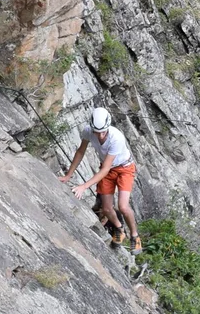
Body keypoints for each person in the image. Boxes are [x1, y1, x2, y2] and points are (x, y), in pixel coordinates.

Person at [60, 106, 141, 253]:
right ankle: (119, 229)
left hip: (124, 168)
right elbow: (80, 152)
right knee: (106, 208)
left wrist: (84, 186)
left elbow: (105, 169)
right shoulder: (88, 131)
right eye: (97, 132)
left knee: (123, 206)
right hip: (107, 168)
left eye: (103, 132)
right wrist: (68, 175)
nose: (100, 135)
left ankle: (135, 236)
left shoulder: (116, 138)